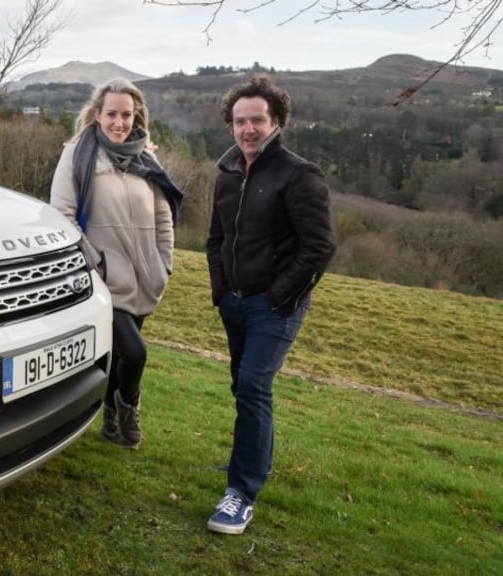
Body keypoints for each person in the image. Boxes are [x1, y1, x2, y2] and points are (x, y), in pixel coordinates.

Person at [205, 75, 336, 534]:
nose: (248, 129)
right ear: (231, 125)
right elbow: (217, 237)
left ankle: (241, 493)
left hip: (274, 307)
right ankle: (250, 464)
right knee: (243, 387)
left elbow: (318, 247)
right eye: (240, 121)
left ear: (276, 120)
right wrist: (221, 292)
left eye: (257, 119)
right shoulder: (227, 173)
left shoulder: (300, 174)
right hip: (235, 304)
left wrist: (279, 297)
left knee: (253, 386)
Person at [50, 78, 184, 449]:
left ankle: (110, 423)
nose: (119, 123)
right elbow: (61, 215)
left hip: (145, 277)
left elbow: (163, 219)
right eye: (112, 114)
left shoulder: (147, 158)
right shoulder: (78, 155)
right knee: (135, 353)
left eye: (127, 114)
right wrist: (97, 267)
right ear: (97, 114)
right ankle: (129, 409)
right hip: (104, 278)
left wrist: (163, 263)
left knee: (122, 354)